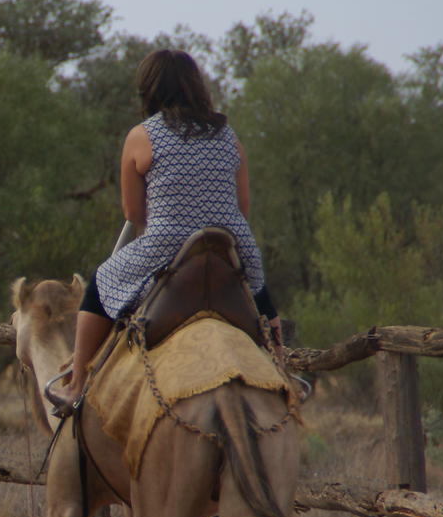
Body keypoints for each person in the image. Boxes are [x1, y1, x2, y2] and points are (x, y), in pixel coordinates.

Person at [56, 50, 280, 406]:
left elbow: (134, 212)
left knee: (99, 283)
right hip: (231, 242)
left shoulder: (142, 135)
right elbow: (243, 207)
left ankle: (77, 384)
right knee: (261, 298)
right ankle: (283, 370)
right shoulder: (228, 135)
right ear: (196, 85)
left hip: (168, 243)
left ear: (149, 88)